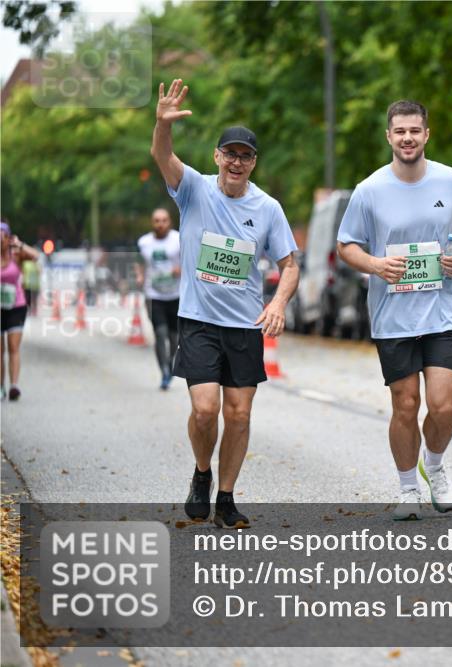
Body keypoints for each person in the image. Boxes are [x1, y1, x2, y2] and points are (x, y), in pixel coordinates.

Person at [150, 79, 299, 529]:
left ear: (254, 163)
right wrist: (162, 125)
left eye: (245, 156)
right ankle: (201, 473)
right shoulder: (195, 189)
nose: (236, 161)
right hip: (198, 321)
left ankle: (227, 497)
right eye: (229, 153)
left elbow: (290, 264)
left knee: (238, 414)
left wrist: (278, 303)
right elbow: (163, 157)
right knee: (205, 410)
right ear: (217, 157)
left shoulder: (268, 208)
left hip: (244, 326)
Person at [337, 100, 452, 520]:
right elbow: (346, 245)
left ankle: (434, 467)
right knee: (405, 405)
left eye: (414, 131)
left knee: (442, 406)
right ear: (389, 136)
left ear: (426, 134)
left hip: (442, 312)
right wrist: (376, 265)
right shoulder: (369, 190)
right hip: (393, 316)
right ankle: (407, 490)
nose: (407, 138)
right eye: (400, 131)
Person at [135, 208, 182, 390]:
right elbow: (139, 263)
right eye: (156, 220)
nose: (160, 224)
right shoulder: (144, 242)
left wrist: (181, 270)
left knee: (174, 337)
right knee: (160, 334)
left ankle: (170, 364)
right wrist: (139, 275)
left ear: (169, 222)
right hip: (153, 296)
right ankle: (163, 371)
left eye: (163, 220)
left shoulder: (178, 239)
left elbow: (190, 261)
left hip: (176, 295)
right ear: (152, 223)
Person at [1, 221, 41, 401]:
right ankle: (1, 387)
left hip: (16, 306)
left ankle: (14, 386)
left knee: (13, 347)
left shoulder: (16, 254)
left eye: (2, 236)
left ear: (8, 238)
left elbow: (36, 256)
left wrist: (20, 244)